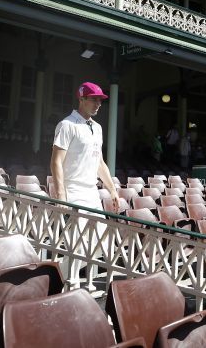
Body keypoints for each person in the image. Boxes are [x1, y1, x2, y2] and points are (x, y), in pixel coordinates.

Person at [50, 82, 120, 291]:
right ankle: (70, 286)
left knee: (102, 240)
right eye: (93, 99)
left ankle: (60, 276)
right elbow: (56, 162)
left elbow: (99, 162)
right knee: (78, 243)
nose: (98, 103)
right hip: (74, 191)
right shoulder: (66, 125)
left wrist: (112, 190)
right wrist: (61, 195)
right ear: (81, 99)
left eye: (100, 100)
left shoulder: (97, 128)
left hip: (91, 192)